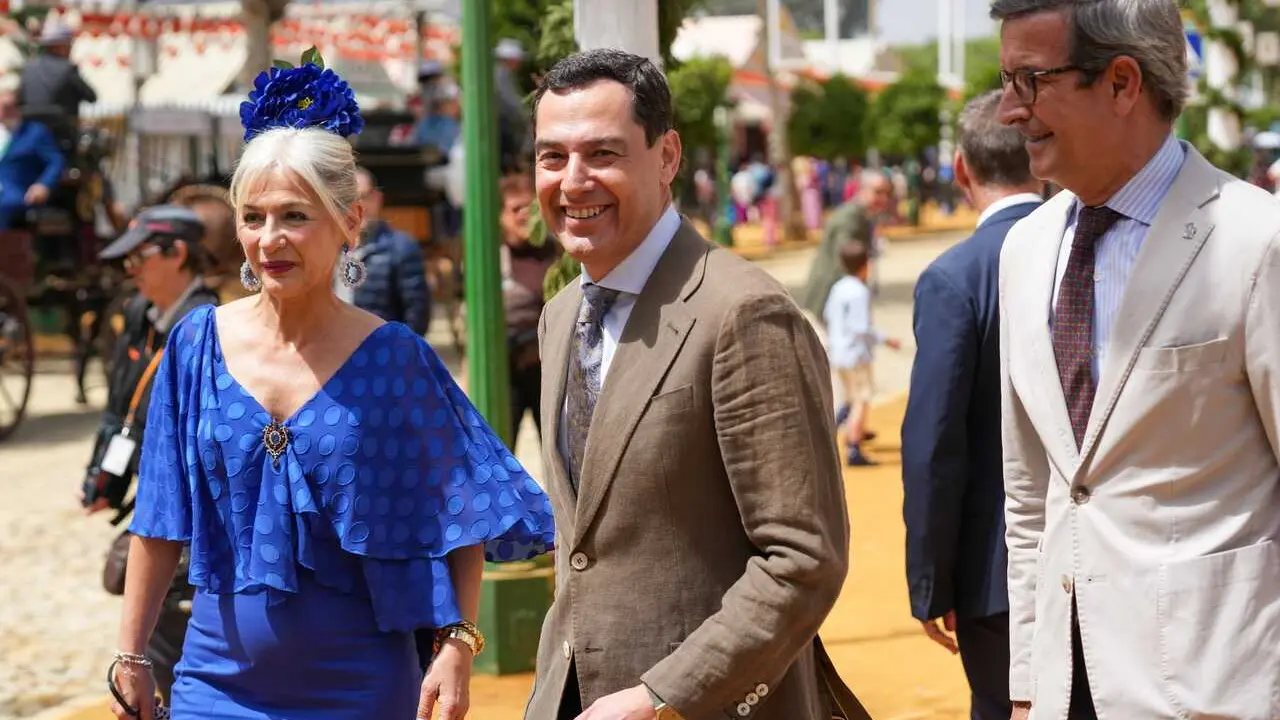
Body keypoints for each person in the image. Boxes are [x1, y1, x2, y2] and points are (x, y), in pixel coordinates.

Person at [109, 57, 554, 720]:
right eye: (253, 217)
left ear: (348, 223)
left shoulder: (394, 357)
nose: (270, 240)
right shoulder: (196, 345)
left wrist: (457, 642)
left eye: (294, 215)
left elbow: (463, 509)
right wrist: (132, 654)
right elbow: (160, 518)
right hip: (212, 684)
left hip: (360, 686)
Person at [526, 48, 868, 720]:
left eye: (602, 153)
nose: (573, 181)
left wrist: (664, 696)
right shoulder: (561, 316)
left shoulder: (742, 312)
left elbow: (802, 558)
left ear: (667, 157)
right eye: (552, 157)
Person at [993, 2, 1280, 719]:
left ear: (1122, 84)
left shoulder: (1254, 242)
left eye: (1029, 81)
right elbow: (1033, 496)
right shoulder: (1024, 252)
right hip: (1068, 688)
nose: (1007, 111)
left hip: (1216, 688)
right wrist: (1029, 686)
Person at [899, 89, 1041, 720]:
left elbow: (933, 444)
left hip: (996, 576)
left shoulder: (954, 278)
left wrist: (932, 581)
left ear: (961, 169)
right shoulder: (1092, 253)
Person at [81, 205, 221, 702]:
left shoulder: (206, 325)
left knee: (174, 649)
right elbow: (120, 402)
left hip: (188, 521)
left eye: (139, 257)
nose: (130, 269)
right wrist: (102, 477)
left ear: (177, 253)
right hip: (152, 500)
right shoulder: (141, 315)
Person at [823, 242, 901, 467]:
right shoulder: (859, 291)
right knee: (862, 398)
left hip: (839, 351)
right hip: (855, 353)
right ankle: (853, 446)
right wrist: (886, 339)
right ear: (865, 265)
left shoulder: (838, 287)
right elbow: (861, 327)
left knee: (849, 397)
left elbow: (828, 314)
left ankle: (834, 429)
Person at [498, 171, 558, 445]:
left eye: (530, 207)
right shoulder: (491, 255)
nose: (524, 215)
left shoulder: (556, 254)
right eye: (515, 208)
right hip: (503, 371)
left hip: (548, 372)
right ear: (499, 215)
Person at [338, 166, 432, 337]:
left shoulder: (401, 247)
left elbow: (417, 315)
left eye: (364, 197)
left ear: (377, 198)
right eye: (349, 199)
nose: (358, 206)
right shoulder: (327, 247)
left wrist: (396, 356)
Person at [800, 169, 893, 322]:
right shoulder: (849, 219)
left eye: (887, 194)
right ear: (862, 190)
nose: (883, 198)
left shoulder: (862, 216)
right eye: (878, 192)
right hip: (829, 299)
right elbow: (845, 263)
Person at [18, 19, 96, 152]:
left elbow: (21, 97)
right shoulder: (67, 69)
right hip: (60, 136)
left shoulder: (29, 67)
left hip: (28, 132)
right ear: (60, 45)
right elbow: (91, 96)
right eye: (69, 45)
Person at [0, 78, 64, 231]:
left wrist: (43, 185)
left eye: (10, 107)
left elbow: (55, 162)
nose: (6, 112)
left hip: (14, 195)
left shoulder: (35, 133)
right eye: (3, 107)